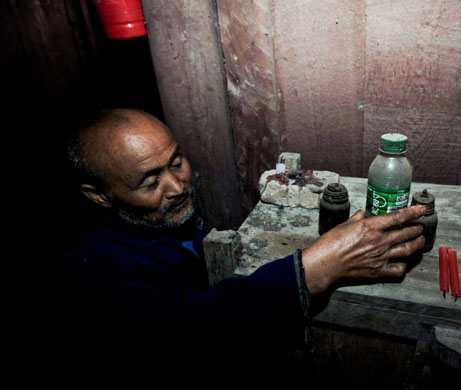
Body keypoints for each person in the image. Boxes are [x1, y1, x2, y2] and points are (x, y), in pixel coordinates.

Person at [58, 108, 426, 385]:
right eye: (150, 181)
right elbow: (189, 332)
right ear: (100, 196)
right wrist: (315, 267)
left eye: (176, 162)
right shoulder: (89, 269)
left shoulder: (164, 222)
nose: (177, 186)